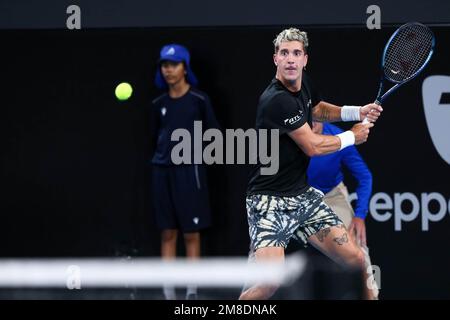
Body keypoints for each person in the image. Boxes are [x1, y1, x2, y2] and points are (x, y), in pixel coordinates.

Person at [240, 28, 383, 300]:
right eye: (284, 53)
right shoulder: (276, 100)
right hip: (269, 201)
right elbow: (313, 146)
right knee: (269, 284)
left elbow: (316, 108)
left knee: (357, 260)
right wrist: (352, 136)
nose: (291, 60)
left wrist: (356, 112)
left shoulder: (303, 82)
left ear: (305, 59)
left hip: (301, 195)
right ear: (275, 59)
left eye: (296, 53)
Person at [150, 44, 219, 300]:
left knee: (191, 233)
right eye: (165, 65)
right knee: (167, 232)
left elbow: (214, 136)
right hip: (161, 173)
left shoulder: (199, 101)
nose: (168, 70)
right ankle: (168, 293)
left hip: (190, 173)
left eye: (174, 64)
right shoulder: (158, 104)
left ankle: (191, 292)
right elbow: (154, 137)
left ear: (185, 68)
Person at [308, 121, 379, 299]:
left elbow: (364, 176)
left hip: (331, 196)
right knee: (261, 257)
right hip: (292, 196)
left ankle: (371, 297)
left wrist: (360, 215)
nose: (311, 124)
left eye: (315, 119)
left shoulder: (338, 137)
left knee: (360, 252)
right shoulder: (289, 135)